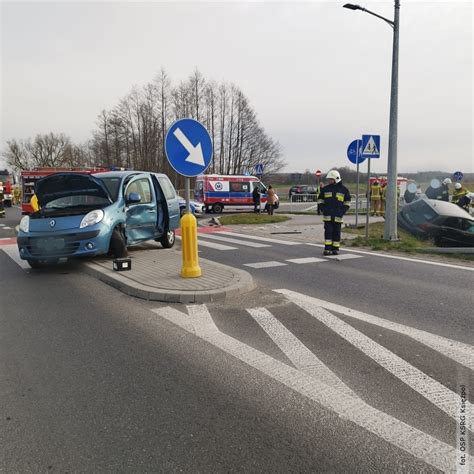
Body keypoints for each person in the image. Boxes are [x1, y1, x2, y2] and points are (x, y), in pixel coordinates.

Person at [317, 170, 351, 256]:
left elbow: (347, 202)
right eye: (329, 179)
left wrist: (342, 211)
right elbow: (320, 200)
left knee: (337, 233)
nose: (329, 181)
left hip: (338, 216)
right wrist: (323, 209)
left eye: (331, 179)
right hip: (327, 216)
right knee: (328, 233)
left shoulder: (344, 190)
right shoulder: (325, 189)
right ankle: (327, 249)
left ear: (337, 179)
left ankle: (335, 249)